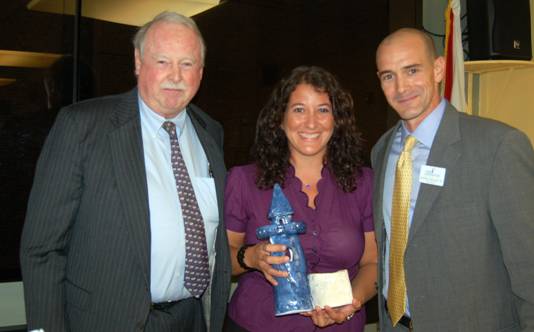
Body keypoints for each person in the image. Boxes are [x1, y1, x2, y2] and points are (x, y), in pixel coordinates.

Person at [20, 11, 230, 332]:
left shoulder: (210, 132)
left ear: (200, 71)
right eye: (162, 61)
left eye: (187, 64)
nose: (175, 75)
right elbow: (42, 248)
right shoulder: (83, 126)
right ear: (137, 62)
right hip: (106, 320)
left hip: (190, 320)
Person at [371, 28, 534, 331]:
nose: (401, 87)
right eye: (388, 76)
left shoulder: (498, 146)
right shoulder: (381, 151)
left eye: (412, 70)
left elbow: (529, 268)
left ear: (437, 69)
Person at [224, 66, 378, 331]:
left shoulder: (364, 183)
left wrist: (353, 301)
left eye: (323, 109)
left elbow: (372, 263)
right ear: (280, 119)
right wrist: (251, 257)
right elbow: (220, 260)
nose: (311, 122)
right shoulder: (243, 180)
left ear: (336, 120)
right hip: (256, 324)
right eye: (298, 109)